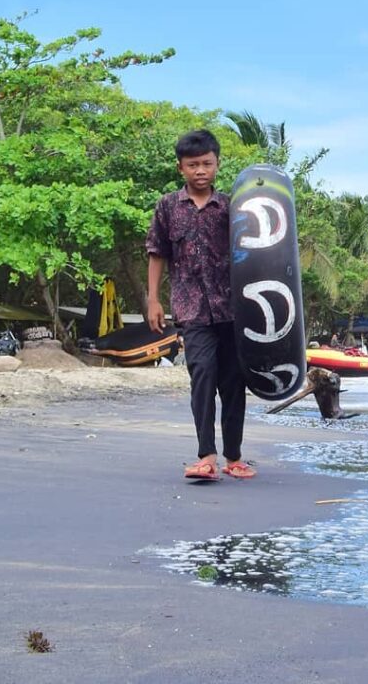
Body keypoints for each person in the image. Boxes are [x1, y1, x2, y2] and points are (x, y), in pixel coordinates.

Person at [146, 129, 255, 482]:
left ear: (217, 164)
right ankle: (206, 456)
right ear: (181, 168)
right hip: (191, 309)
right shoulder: (167, 207)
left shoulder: (231, 207)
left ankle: (234, 457)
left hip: (232, 308)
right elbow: (157, 252)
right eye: (193, 165)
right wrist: (152, 298)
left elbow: (252, 254)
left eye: (207, 163)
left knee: (233, 381)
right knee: (203, 378)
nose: (200, 171)